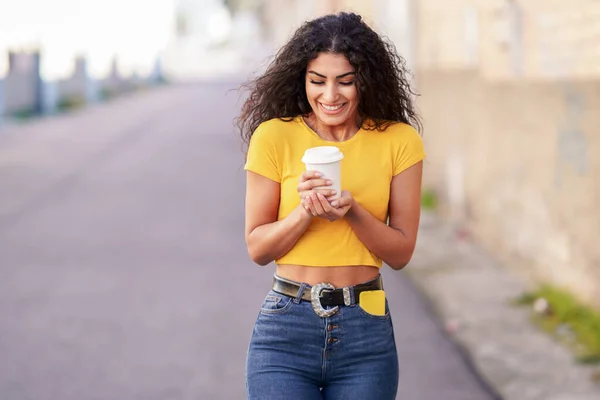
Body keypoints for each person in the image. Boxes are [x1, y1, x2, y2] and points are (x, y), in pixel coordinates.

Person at [237, 11, 426, 400]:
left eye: (345, 81)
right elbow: (258, 248)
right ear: (302, 79)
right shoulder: (274, 137)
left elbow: (401, 252)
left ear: (365, 80)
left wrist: (353, 212)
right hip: (286, 329)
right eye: (317, 81)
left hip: (366, 331)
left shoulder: (399, 141)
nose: (330, 95)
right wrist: (305, 211)